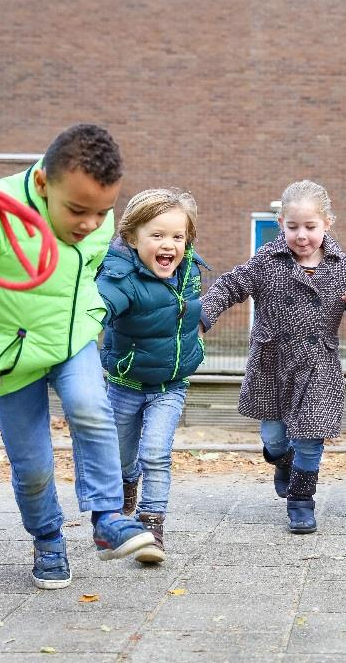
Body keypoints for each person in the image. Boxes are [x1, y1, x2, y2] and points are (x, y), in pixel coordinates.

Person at [0, 124, 154, 589]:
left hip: (69, 338)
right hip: (9, 353)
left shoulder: (95, 213)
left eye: (101, 212)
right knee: (34, 464)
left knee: (90, 406)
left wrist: (96, 312)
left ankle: (106, 517)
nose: (89, 224)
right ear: (42, 183)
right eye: (78, 210)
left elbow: (93, 269)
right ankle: (47, 539)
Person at [199, 180, 346, 534]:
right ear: (281, 223)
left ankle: (301, 502)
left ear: (327, 223)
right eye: (293, 227)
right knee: (275, 438)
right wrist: (205, 313)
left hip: (318, 363)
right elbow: (231, 285)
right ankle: (282, 461)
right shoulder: (267, 259)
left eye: (310, 227)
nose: (302, 235)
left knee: (310, 436)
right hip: (272, 361)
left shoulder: (342, 265)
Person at [96, 188, 209, 563]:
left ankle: (151, 525)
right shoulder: (118, 278)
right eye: (157, 235)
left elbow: (186, 306)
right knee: (123, 454)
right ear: (132, 237)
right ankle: (127, 485)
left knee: (156, 453)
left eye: (177, 237)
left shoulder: (189, 269)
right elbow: (101, 308)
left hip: (170, 384)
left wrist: (199, 319)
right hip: (125, 384)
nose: (168, 245)